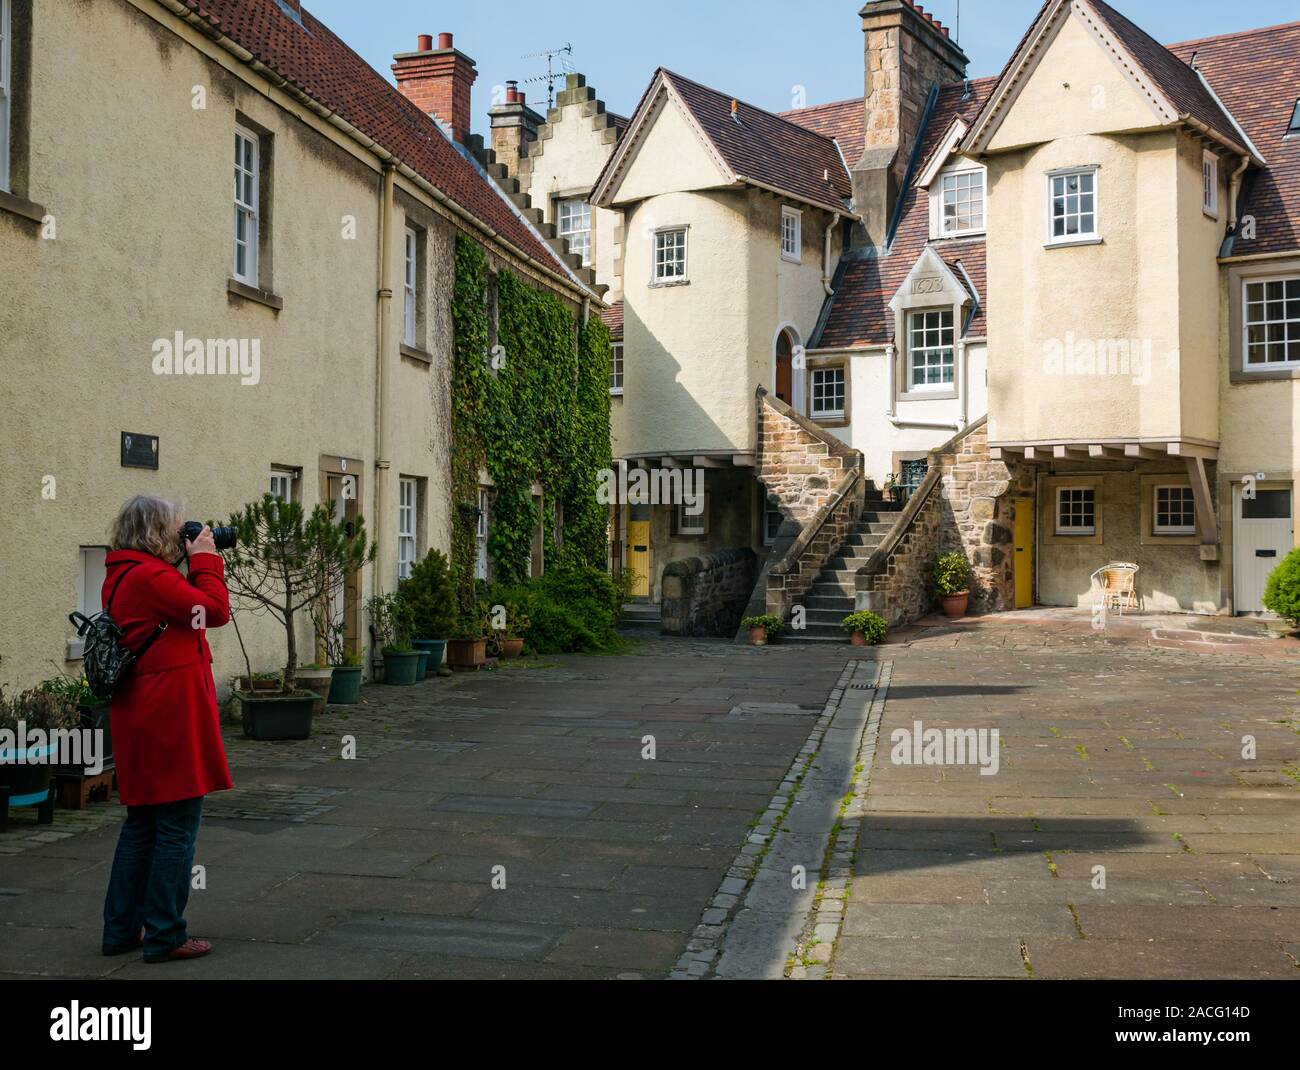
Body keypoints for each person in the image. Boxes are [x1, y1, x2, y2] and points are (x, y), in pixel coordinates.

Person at [99, 495, 233, 963]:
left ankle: (120, 930)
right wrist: (205, 561)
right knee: (176, 826)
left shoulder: (121, 574)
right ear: (156, 532)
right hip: (169, 714)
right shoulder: (152, 577)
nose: (183, 537)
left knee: (143, 826)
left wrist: (191, 560)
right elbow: (214, 611)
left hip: (142, 710)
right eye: (178, 530)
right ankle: (165, 934)